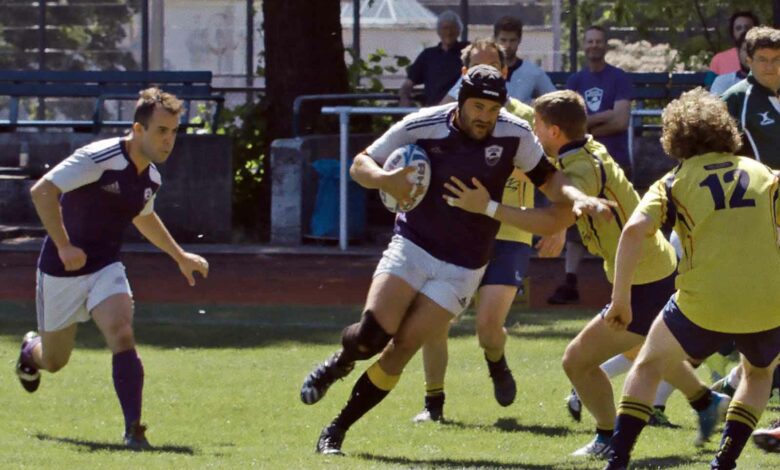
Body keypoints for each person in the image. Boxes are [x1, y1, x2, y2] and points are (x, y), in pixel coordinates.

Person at [300, 64, 614, 456]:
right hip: (412, 245)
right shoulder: (424, 123)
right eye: (477, 106)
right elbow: (361, 163)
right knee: (371, 337)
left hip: (464, 266)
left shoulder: (515, 134)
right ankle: (341, 361)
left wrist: (576, 198)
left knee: (400, 349)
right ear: (462, 101)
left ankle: (335, 431)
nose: (484, 116)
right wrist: (386, 180)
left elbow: (551, 180)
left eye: (492, 109)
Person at [446, 89, 728, 458]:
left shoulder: (580, 166)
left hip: (643, 277)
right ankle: (706, 401)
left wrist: (487, 206)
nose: (533, 132)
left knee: (577, 360)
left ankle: (608, 436)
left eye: (537, 126)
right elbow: (566, 189)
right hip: (652, 267)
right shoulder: (584, 147)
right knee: (648, 350)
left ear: (554, 131)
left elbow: (553, 216)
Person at [14, 88, 210, 450]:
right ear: (138, 129)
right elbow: (42, 192)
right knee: (55, 361)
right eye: (161, 131)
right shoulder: (97, 157)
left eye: (174, 132)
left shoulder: (151, 178)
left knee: (121, 333)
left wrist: (180, 256)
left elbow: (144, 217)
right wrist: (64, 245)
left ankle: (133, 429)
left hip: (106, 266)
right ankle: (30, 352)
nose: (169, 140)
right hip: (60, 270)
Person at [604, 88, 780, 470]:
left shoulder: (674, 181)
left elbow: (634, 231)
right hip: (769, 301)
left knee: (648, 365)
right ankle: (724, 462)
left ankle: (617, 459)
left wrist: (621, 300)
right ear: (727, 131)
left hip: (704, 302)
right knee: (759, 373)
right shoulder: (765, 174)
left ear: (674, 139)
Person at [411, 37, 538, 423]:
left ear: (504, 72)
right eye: (476, 69)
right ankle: (434, 404)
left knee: (487, 327)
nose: (486, 76)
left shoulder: (526, 118)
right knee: (431, 320)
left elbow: (551, 175)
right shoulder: (443, 120)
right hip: (457, 233)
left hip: (509, 233)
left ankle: (496, 360)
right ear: (463, 75)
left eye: (493, 69)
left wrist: (557, 224)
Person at [548, 25, 634, 305]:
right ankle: (570, 282)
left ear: (605, 45)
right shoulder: (575, 79)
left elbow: (621, 120)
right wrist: (603, 118)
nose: (594, 45)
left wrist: (586, 123)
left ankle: (625, 286)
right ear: (584, 46)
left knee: (621, 222)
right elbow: (570, 126)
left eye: (599, 41)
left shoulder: (619, 78)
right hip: (581, 161)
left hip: (615, 161)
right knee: (575, 219)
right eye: (590, 41)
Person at [440, 16, 555, 105]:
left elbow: (554, 99)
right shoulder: (478, 70)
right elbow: (448, 101)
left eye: (512, 40)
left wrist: (533, 105)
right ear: (495, 39)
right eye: (503, 40)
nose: (507, 45)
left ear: (519, 40)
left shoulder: (533, 72)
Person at [722, 26, 780, 168]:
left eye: (777, 59)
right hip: (759, 187)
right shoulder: (735, 98)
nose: (770, 66)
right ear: (749, 61)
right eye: (762, 60)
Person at [399, 10, 469, 107]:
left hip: (460, 111)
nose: (448, 32)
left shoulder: (468, 52)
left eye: (452, 28)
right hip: (433, 112)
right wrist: (404, 97)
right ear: (439, 31)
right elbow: (408, 83)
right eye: (445, 28)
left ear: (458, 31)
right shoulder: (428, 55)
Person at [709, 11, 759, 75]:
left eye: (748, 28)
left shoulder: (766, 56)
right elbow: (710, 84)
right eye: (738, 28)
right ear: (732, 32)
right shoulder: (718, 60)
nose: (743, 31)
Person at [710, 31, 750, 95]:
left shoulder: (770, 84)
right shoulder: (722, 82)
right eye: (745, 49)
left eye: (754, 50)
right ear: (738, 51)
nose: (750, 54)